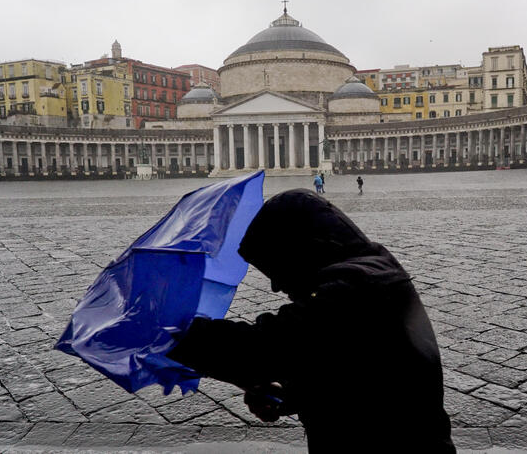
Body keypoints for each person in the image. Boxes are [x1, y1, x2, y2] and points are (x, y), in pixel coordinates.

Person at [167, 189, 455, 453]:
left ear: (302, 248)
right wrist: (293, 396)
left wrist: (169, 330)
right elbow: (357, 374)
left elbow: (264, 349)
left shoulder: (353, 289)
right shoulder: (373, 270)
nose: (276, 286)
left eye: (277, 266)